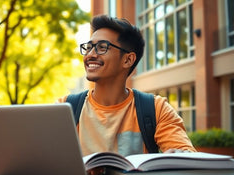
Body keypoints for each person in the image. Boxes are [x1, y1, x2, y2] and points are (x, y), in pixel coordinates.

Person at [57, 15, 196, 157]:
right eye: (89, 47)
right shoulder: (64, 108)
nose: (90, 55)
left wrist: (180, 155)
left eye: (102, 47)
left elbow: (186, 155)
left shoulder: (156, 109)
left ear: (128, 60)